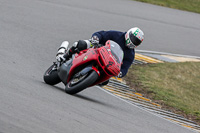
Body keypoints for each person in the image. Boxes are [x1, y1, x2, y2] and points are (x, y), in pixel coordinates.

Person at [56, 27, 144, 80]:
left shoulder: (130, 55)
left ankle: (88, 80)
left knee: (106, 80)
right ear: (129, 34)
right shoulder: (117, 35)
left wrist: (121, 73)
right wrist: (96, 38)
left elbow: (125, 67)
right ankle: (64, 56)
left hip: (107, 63)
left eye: (137, 42)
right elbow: (101, 34)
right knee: (82, 44)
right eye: (134, 39)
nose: (134, 42)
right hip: (97, 49)